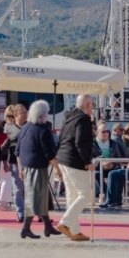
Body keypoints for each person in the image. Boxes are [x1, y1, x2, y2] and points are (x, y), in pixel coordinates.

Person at [55, 94, 96, 242]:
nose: (92, 108)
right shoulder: (83, 118)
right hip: (74, 161)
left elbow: (60, 138)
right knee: (86, 194)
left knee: (72, 196)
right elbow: (80, 142)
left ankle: (74, 230)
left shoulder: (68, 117)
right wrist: (87, 161)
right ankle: (65, 223)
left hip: (63, 158)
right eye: (92, 105)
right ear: (88, 105)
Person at [17, 99, 60, 240]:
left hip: (27, 166)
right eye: (47, 112)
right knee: (34, 198)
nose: (48, 115)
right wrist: (58, 169)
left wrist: (20, 168)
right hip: (37, 167)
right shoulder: (43, 130)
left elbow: (17, 150)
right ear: (42, 114)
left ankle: (47, 226)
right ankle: (25, 228)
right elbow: (49, 154)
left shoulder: (25, 127)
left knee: (42, 197)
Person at [1, 104, 27, 222]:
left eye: (26, 112)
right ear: (16, 114)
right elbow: (4, 147)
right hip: (14, 162)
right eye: (23, 113)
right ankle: (21, 214)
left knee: (30, 190)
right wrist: (4, 163)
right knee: (18, 189)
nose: (26, 115)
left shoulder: (30, 126)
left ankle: (35, 213)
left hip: (29, 161)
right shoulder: (9, 128)